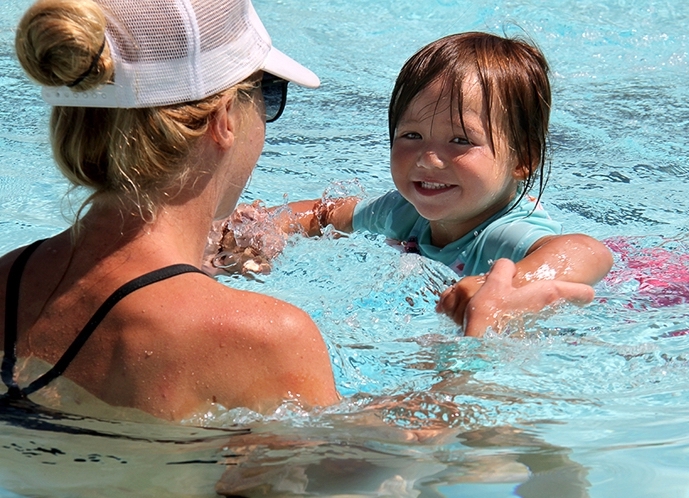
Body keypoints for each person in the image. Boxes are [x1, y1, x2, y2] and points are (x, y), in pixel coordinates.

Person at [212, 32, 613, 329]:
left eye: (460, 140)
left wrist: (510, 285)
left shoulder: (503, 235)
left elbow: (589, 252)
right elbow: (324, 214)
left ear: (522, 160)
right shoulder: (405, 211)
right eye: (412, 136)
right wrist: (259, 230)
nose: (429, 158)